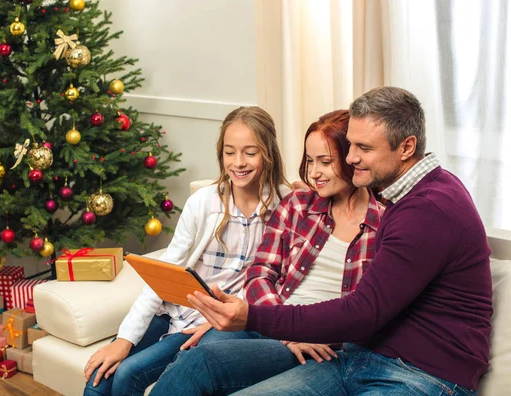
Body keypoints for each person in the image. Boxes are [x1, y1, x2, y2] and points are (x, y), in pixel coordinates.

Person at [153, 87, 492, 396]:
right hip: (358, 358)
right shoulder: (404, 196)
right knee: (205, 363)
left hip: (421, 376)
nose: (351, 158)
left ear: (407, 147)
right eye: (350, 146)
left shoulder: (428, 209)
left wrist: (252, 317)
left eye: (364, 148)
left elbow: (363, 312)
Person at [150, 109, 385, 395]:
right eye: (310, 161)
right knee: (197, 360)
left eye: (325, 162)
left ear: (352, 159)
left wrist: (305, 333)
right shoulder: (298, 205)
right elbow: (260, 272)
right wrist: (287, 328)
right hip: (272, 324)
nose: (313, 173)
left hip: (323, 345)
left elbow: (368, 312)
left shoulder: (386, 224)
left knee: (206, 363)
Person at [83, 106, 289, 395]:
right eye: (230, 152)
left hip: (226, 321)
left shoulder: (287, 206)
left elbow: (277, 278)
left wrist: (217, 321)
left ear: (268, 152)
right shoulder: (203, 203)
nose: (238, 162)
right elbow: (165, 274)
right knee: (102, 375)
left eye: (250, 152)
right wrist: (123, 339)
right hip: (179, 312)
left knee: (134, 374)